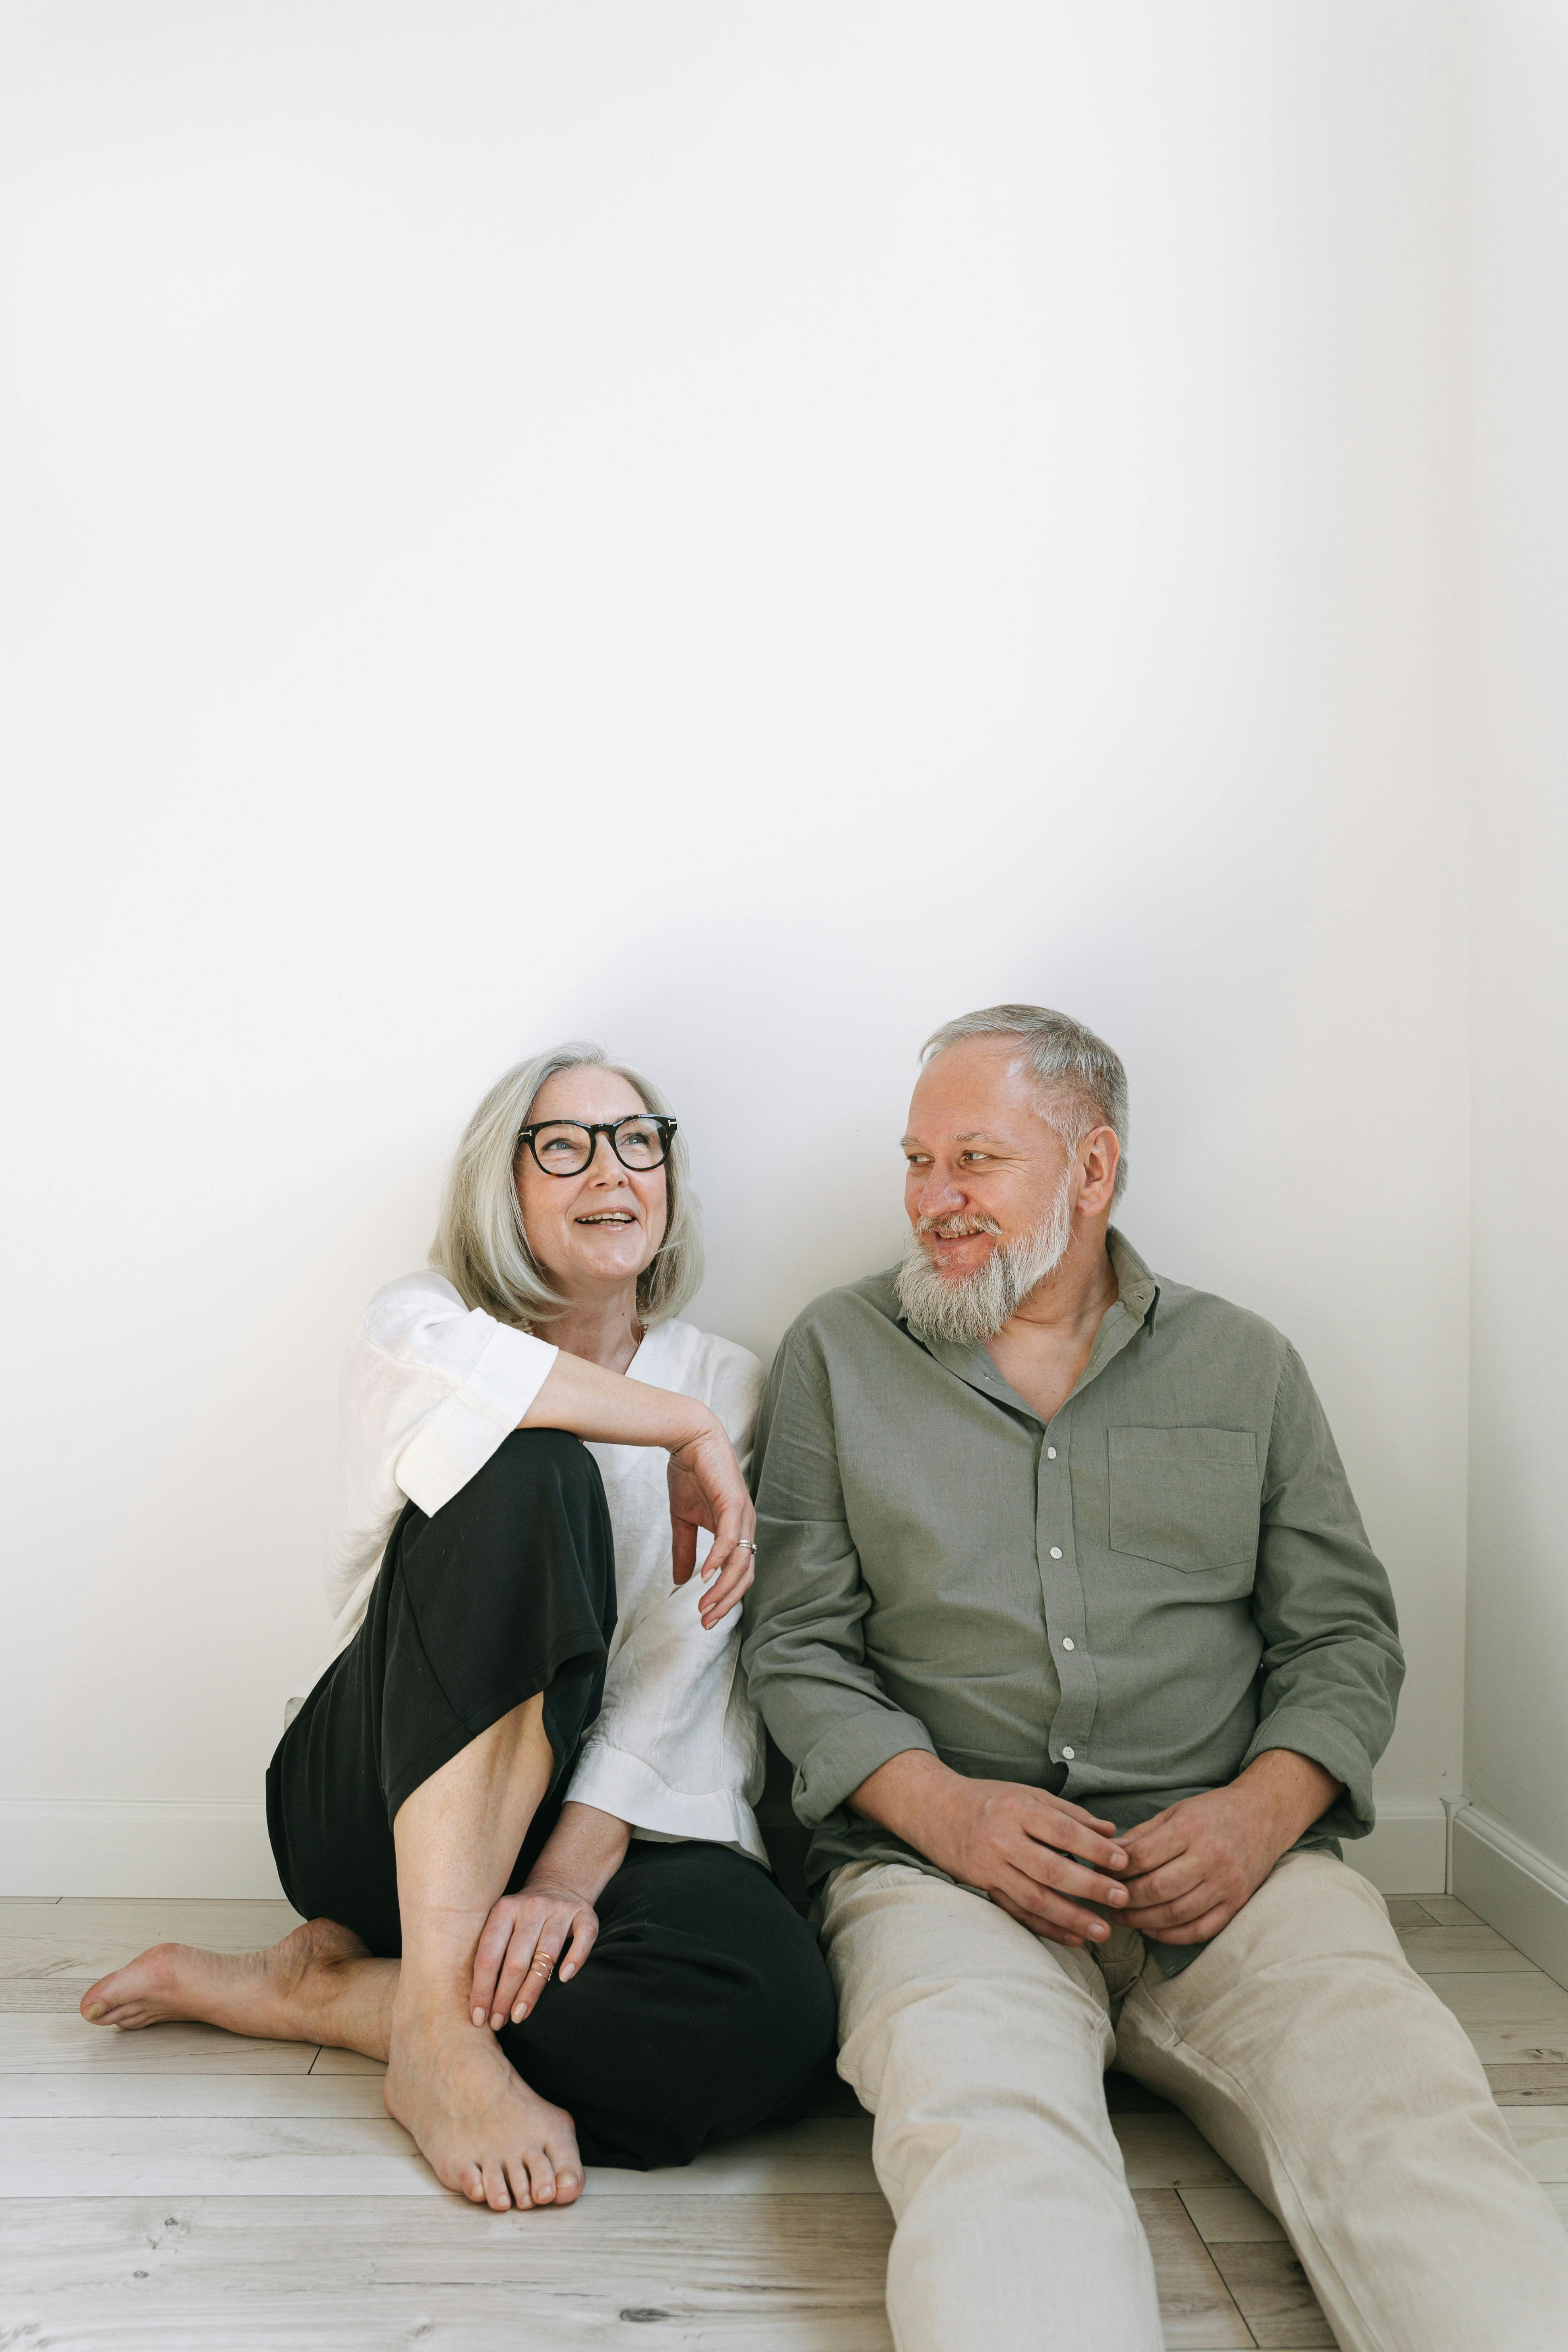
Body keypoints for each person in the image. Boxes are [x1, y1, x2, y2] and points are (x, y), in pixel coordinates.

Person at [742, 1003, 1568, 2352]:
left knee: (1409, 2121)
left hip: (1242, 1878)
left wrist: (1259, 1814)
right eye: (916, 1161)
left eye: (975, 1161)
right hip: (947, 1877)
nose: (931, 1201)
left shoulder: (1247, 1364)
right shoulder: (841, 1354)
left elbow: (1345, 1639)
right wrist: (955, 1815)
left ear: (1093, 1167)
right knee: (999, 2157)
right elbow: (798, 1646)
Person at [83, 1042, 835, 2214]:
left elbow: (683, 1658)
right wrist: (675, 1430)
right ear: (508, 1184)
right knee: (528, 1467)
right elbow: (489, 1387)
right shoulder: (424, 1323)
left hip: (595, 1820)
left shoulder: (726, 1378)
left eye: (639, 1140)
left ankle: (333, 1997)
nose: (611, 1168)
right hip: (380, 1802)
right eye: (565, 1144)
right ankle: (440, 2029)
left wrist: (570, 1879)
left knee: (772, 2005)